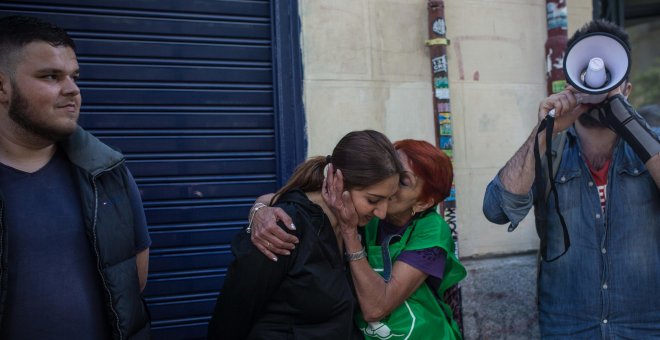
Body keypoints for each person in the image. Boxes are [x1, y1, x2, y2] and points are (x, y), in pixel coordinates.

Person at [482, 19, 660, 338]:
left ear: (627, 89)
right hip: (568, 326)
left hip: (646, 325)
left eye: (611, 83)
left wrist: (627, 121)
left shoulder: (652, 145)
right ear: (571, 86)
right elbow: (496, 210)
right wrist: (543, 133)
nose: (599, 91)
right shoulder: (552, 146)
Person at [0, 15, 151, 339]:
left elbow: (131, 281)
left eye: (74, 76)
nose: (73, 90)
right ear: (2, 86)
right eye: (51, 76)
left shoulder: (107, 172)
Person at [249, 139, 466, 339]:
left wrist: (350, 233)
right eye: (393, 172)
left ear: (423, 203)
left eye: (403, 182)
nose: (390, 183)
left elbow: (376, 308)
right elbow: (294, 202)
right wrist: (259, 211)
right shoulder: (367, 206)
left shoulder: (431, 230)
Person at [207, 130, 403, 339]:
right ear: (338, 182)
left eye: (388, 199)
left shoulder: (354, 224)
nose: (382, 213)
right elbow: (231, 318)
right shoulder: (282, 227)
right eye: (373, 200)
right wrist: (259, 209)